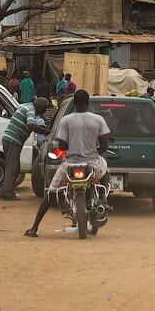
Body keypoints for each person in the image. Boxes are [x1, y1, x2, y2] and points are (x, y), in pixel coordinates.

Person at [25, 90, 111, 237]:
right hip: (92, 163)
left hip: (70, 163)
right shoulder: (98, 119)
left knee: (52, 191)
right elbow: (104, 146)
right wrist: (93, 151)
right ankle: (103, 200)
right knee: (105, 173)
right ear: (88, 102)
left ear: (75, 104)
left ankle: (34, 228)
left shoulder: (66, 120)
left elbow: (63, 146)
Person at [0, 97, 50, 201]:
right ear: (39, 106)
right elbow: (31, 124)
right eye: (44, 109)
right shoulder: (31, 110)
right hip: (13, 141)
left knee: (13, 167)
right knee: (13, 167)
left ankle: (4, 190)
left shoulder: (26, 106)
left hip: (9, 140)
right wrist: (46, 132)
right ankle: (8, 192)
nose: (44, 112)